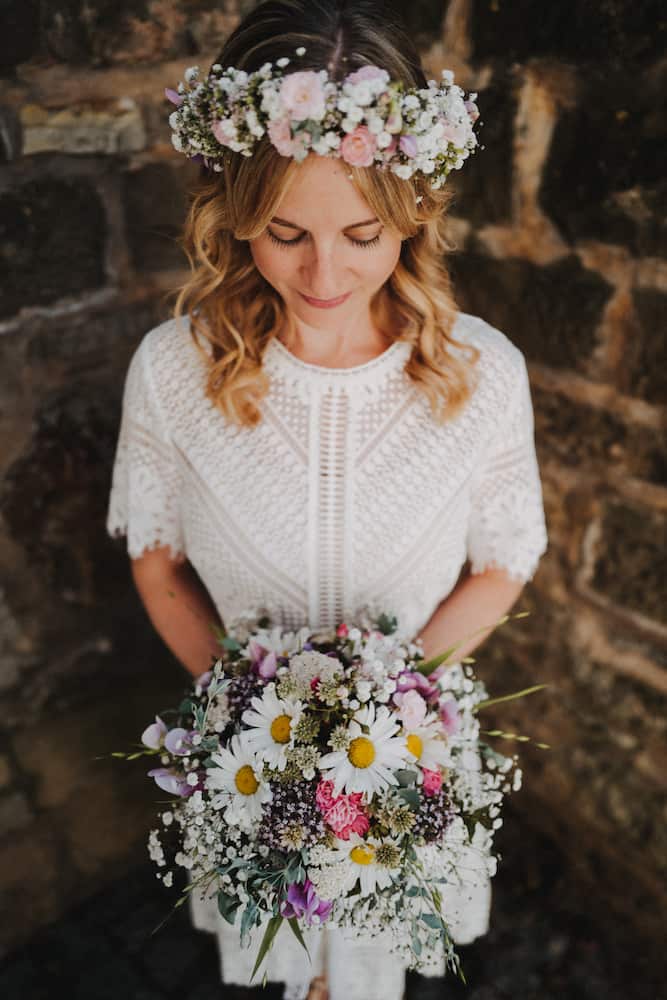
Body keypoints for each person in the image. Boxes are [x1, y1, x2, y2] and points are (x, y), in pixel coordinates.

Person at [105, 1, 548, 998]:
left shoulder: (482, 373)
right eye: (283, 231)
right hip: (250, 760)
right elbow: (155, 557)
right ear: (233, 211)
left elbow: (502, 559)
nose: (323, 272)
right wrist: (257, 720)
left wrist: (388, 711)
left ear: (413, 211)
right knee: (281, 961)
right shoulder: (175, 372)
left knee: (377, 957)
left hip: (405, 753)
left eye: (360, 233)